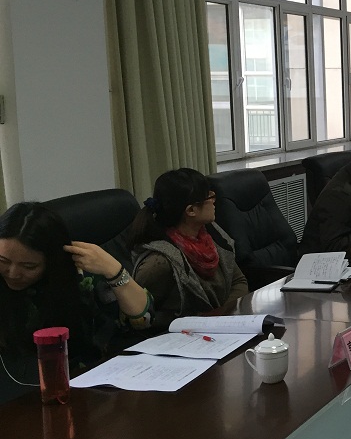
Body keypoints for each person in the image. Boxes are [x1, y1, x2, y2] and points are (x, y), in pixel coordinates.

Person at [0, 203, 151, 402]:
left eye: (29, 266)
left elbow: (143, 320)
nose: (13, 273)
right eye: (3, 261)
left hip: (90, 390)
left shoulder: (80, 277)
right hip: (18, 395)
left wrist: (114, 270)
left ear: (51, 261)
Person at [131, 169, 248, 326]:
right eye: (209, 196)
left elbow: (238, 281)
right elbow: (140, 315)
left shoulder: (210, 233)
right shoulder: (159, 262)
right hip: (184, 335)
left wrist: (221, 317)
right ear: (191, 210)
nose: (214, 200)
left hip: (222, 325)